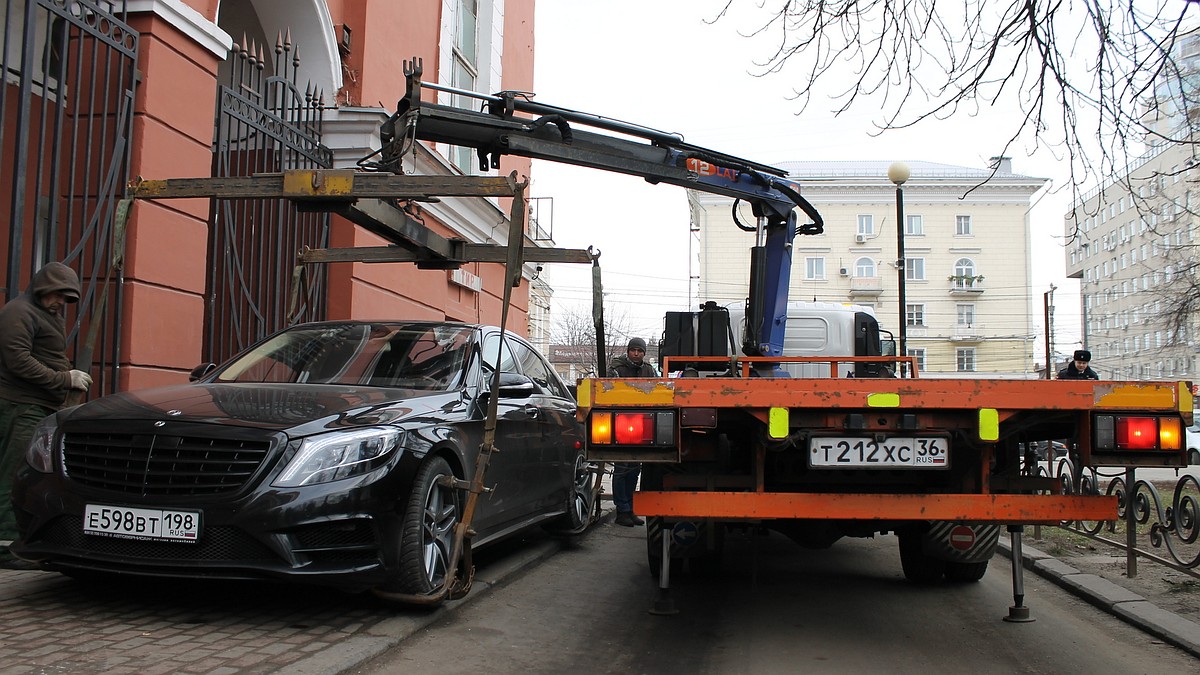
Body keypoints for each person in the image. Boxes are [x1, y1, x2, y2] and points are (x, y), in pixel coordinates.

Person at [0, 262, 92, 565]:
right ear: (43, 287)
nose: (60, 302)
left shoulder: (46, 314)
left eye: (66, 298)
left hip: (40, 406)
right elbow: (19, 362)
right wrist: (65, 380)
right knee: (12, 472)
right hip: (20, 405)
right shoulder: (18, 313)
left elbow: (46, 356)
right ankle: (4, 545)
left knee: (29, 474)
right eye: (57, 295)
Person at [607, 337, 658, 527]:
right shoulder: (616, 369)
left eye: (639, 351)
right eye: (633, 350)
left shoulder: (649, 370)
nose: (636, 353)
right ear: (628, 351)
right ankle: (623, 510)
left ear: (644, 353)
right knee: (622, 468)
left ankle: (630, 508)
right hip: (621, 423)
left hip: (642, 424)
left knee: (634, 469)